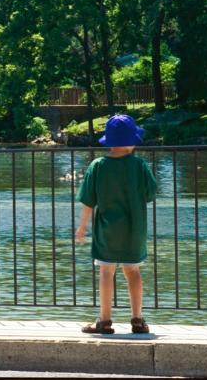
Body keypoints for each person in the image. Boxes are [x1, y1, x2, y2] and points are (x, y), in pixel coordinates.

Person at [76, 114, 157, 335]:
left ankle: (104, 321)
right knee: (133, 271)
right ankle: (137, 320)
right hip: (134, 228)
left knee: (106, 272)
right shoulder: (139, 165)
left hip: (106, 228)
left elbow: (88, 201)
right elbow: (151, 193)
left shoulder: (97, 165)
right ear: (131, 140)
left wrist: (82, 226)